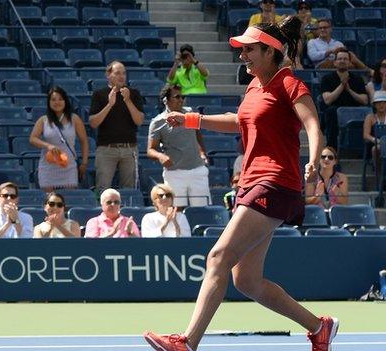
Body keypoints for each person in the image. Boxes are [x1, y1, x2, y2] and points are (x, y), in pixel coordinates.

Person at [144, 17, 337, 351]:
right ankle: (319, 327)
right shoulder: (254, 87)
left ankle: (187, 342)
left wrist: (313, 159)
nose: (242, 56)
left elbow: (312, 124)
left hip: (274, 182)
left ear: (270, 51)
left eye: (250, 50)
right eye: (242, 50)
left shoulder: (290, 83)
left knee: (218, 257)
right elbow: (240, 122)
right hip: (252, 182)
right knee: (246, 280)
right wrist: (192, 119)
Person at [147, 83, 210, 210]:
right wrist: (160, 156)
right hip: (174, 173)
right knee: (176, 211)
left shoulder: (190, 113)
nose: (181, 100)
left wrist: (203, 152)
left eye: (182, 97)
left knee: (201, 211)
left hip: (197, 170)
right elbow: (150, 150)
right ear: (166, 100)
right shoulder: (157, 122)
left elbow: (197, 134)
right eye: (177, 97)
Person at [89, 61, 144, 193]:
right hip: (106, 149)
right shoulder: (99, 94)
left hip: (129, 148)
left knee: (129, 190)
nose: (122, 76)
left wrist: (128, 100)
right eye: (117, 73)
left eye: (124, 73)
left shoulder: (133, 94)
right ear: (108, 75)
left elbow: (139, 121)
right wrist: (110, 104)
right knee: (103, 189)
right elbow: (93, 122)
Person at [29, 86, 89, 191]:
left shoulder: (74, 118)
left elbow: (84, 141)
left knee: (69, 199)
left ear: (65, 101)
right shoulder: (43, 120)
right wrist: (47, 145)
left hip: (68, 165)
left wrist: (84, 162)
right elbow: (32, 139)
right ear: (49, 102)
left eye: (60, 99)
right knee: (50, 201)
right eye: (53, 100)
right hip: (48, 165)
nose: (57, 102)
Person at [320, 49, 369, 149]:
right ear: (335, 62)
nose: (342, 61)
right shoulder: (327, 79)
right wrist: (342, 85)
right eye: (340, 59)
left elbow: (365, 100)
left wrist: (349, 90)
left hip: (353, 110)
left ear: (349, 62)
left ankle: (363, 149)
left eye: (345, 59)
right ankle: (332, 148)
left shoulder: (357, 79)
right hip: (335, 111)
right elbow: (328, 100)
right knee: (330, 111)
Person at [362, 91, 386, 179]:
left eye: (383, 102)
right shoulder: (370, 118)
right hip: (374, 144)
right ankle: (379, 178)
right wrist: (376, 140)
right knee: (376, 149)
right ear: (374, 105)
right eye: (378, 103)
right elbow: (366, 135)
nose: (381, 105)